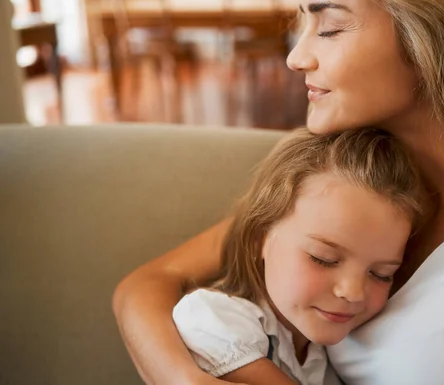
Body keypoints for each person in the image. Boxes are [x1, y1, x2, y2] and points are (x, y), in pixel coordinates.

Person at [113, 0, 444, 384]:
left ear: (429, 32)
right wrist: (189, 378)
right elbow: (148, 285)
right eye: (303, 24)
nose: (296, 57)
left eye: (329, 28)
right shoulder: (343, 173)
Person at [172, 127, 422, 385]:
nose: (353, 292)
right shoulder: (212, 318)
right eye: (324, 258)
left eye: (381, 274)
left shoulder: (324, 359)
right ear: (261, 237)